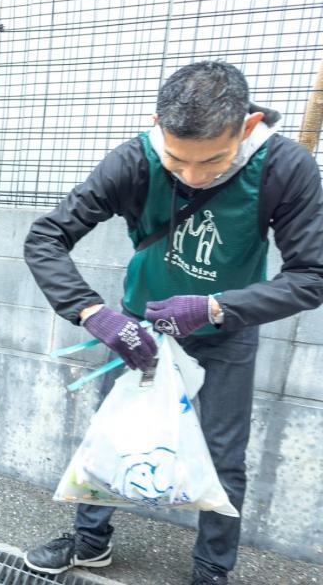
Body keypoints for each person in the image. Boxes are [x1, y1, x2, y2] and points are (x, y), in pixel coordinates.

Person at [23, 61, 323, 585]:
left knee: (224, 455)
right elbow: (45, 238)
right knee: (113, 433)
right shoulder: (134, 160)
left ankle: (211, 571)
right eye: (177, 161)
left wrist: (214, 308)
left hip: (226, 331)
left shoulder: (285, 167)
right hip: (141, 329)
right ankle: (90, 542)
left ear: (247, 128)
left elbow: (312, 275)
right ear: (158, 124)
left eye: (211, 162)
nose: (191, 175)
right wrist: (97, 315)